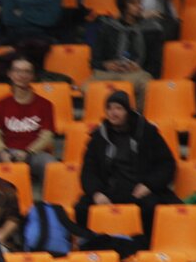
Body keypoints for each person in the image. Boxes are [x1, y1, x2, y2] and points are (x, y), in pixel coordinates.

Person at [74, 91, 179, 237]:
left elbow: (167, 164)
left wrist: (148, 185)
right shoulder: (98, 137)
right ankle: (90, 243)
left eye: (118, 108)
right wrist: (96, 192)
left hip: (139, 189)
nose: (113, 113)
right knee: (81, 208)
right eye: (109, 108)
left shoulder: (147, 132)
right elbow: (88, 171)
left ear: (128, 111)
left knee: (152, 207)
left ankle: (147, 245)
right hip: (109, 190)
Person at [87, 0, 161, 109]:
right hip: (109, 73)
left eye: (140, 2)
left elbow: (155, 65)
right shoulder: (108, 28)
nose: (139, 6)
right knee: (86, 87)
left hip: (136, 74)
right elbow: (94, 61)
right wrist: (106, 65)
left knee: (147, 84)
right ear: (123, 6)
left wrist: (139, 67)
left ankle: (136, 117)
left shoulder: (151, 29)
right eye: (133, 3)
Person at [0, 56, 56, 184]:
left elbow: (46, 136)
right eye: (17, 71)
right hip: (6, 151)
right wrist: (2, 152)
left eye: (27, 71)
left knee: (49, 163)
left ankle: (50, 197)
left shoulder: (45, 105)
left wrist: (28, 152)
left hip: (33, 154)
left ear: (33, 76)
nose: (22, 75)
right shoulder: (0, 104)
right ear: (10, 74)